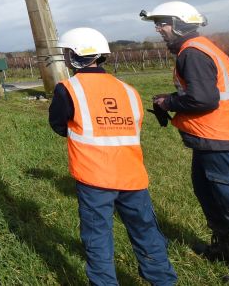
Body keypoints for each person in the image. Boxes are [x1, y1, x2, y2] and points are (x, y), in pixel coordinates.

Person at [141, 1, 229, 284]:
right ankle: (228, 248)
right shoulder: (200, 49)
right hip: (212, 137)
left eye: (162, 22)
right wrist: (173, 100)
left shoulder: (192, 53)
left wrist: (168, 101)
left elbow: (204, 99)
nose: (158, 29)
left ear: (179, 24)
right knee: (209, 194)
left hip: (218, 137)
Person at [49, 27, 178, 286]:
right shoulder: (128, 90)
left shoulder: (68, 88)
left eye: (66, 52)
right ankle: (163, 281)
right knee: (146, 232)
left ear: (74, 56)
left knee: (97, 238)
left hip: (94, 178)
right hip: (133, 177)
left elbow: (58, 124)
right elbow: (133, 126)